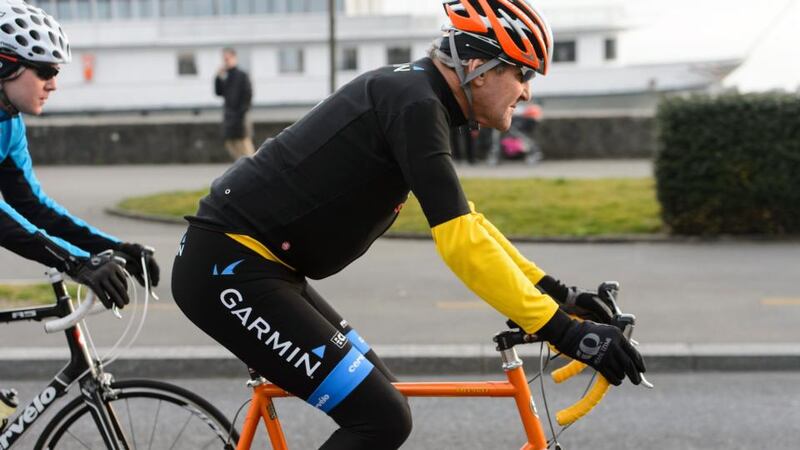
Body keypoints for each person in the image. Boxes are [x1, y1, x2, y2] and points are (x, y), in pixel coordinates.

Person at [172, 1, 645, 449]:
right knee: (380, 417)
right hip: (228, 268)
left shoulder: (420, 98)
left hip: (265, 267)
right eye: (521, 73)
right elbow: (460, 244)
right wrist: (563, 331)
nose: (527, 91)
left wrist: (560, 296)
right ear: (479, 69)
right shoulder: (416, 104)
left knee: (388, 399)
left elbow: (469, 222)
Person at [0, 0, 160, 314]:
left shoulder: (9, 123)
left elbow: (32, 205)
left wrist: (112, 247)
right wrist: (77, 262)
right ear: (4, 65)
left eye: (56, 72)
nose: (54, 84)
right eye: (45, 70)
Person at [215, 47, 254, 160]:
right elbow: (218, 92)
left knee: (246, 149)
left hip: (240, 118)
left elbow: (248, 96)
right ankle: (242, 173)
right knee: (231, 146)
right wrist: (218, 77)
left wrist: (241, 114)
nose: (225, 61)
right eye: (224, 59)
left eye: (228, 58)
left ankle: (253, 174)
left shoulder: (242, 75)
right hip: (229, 117)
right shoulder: (226, 76)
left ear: (234, 58)